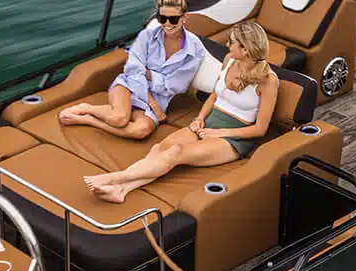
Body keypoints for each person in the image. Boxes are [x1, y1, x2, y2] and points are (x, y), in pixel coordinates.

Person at [83, 21, 280, 205]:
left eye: (232, 42)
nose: (228, 45)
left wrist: (220, 133)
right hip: (208, 122)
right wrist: (199, 119)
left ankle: (114, 178)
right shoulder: (229, 60)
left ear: (245, 49)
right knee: (160, 148)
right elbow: (213, 96)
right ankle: (123, 190)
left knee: (176, 152)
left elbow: (260, 129)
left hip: (234, 139)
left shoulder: (268, 81)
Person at [59, 0, 206, 141]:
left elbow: (176, 85)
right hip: (129, 87)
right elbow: (133, 72)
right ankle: (88, 109)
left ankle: (89, 119)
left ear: (184, 17)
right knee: (119, 119)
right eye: (162, 18)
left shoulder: (194, 49)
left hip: (158, 100)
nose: (167, 24)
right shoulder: (147, 37)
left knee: (141, 130)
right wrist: (153, 102)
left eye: (173, 19)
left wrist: (148, 74)